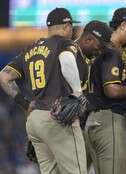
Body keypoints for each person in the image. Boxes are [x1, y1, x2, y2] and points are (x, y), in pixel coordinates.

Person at [0, 7, 112, 174]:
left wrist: (24, 103)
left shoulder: (30, 49)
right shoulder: (64, 43)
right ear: (67, 26)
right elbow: (66, 59)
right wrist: (77, 93)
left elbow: (4, 77)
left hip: (35, 119)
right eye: (71, 27)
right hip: (58, 118)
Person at [84, 7, 126, 174]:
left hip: (92, 120)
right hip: (108, 121)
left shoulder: (97, 51)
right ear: (123, 25)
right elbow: (111, 90)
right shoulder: (112, 52)